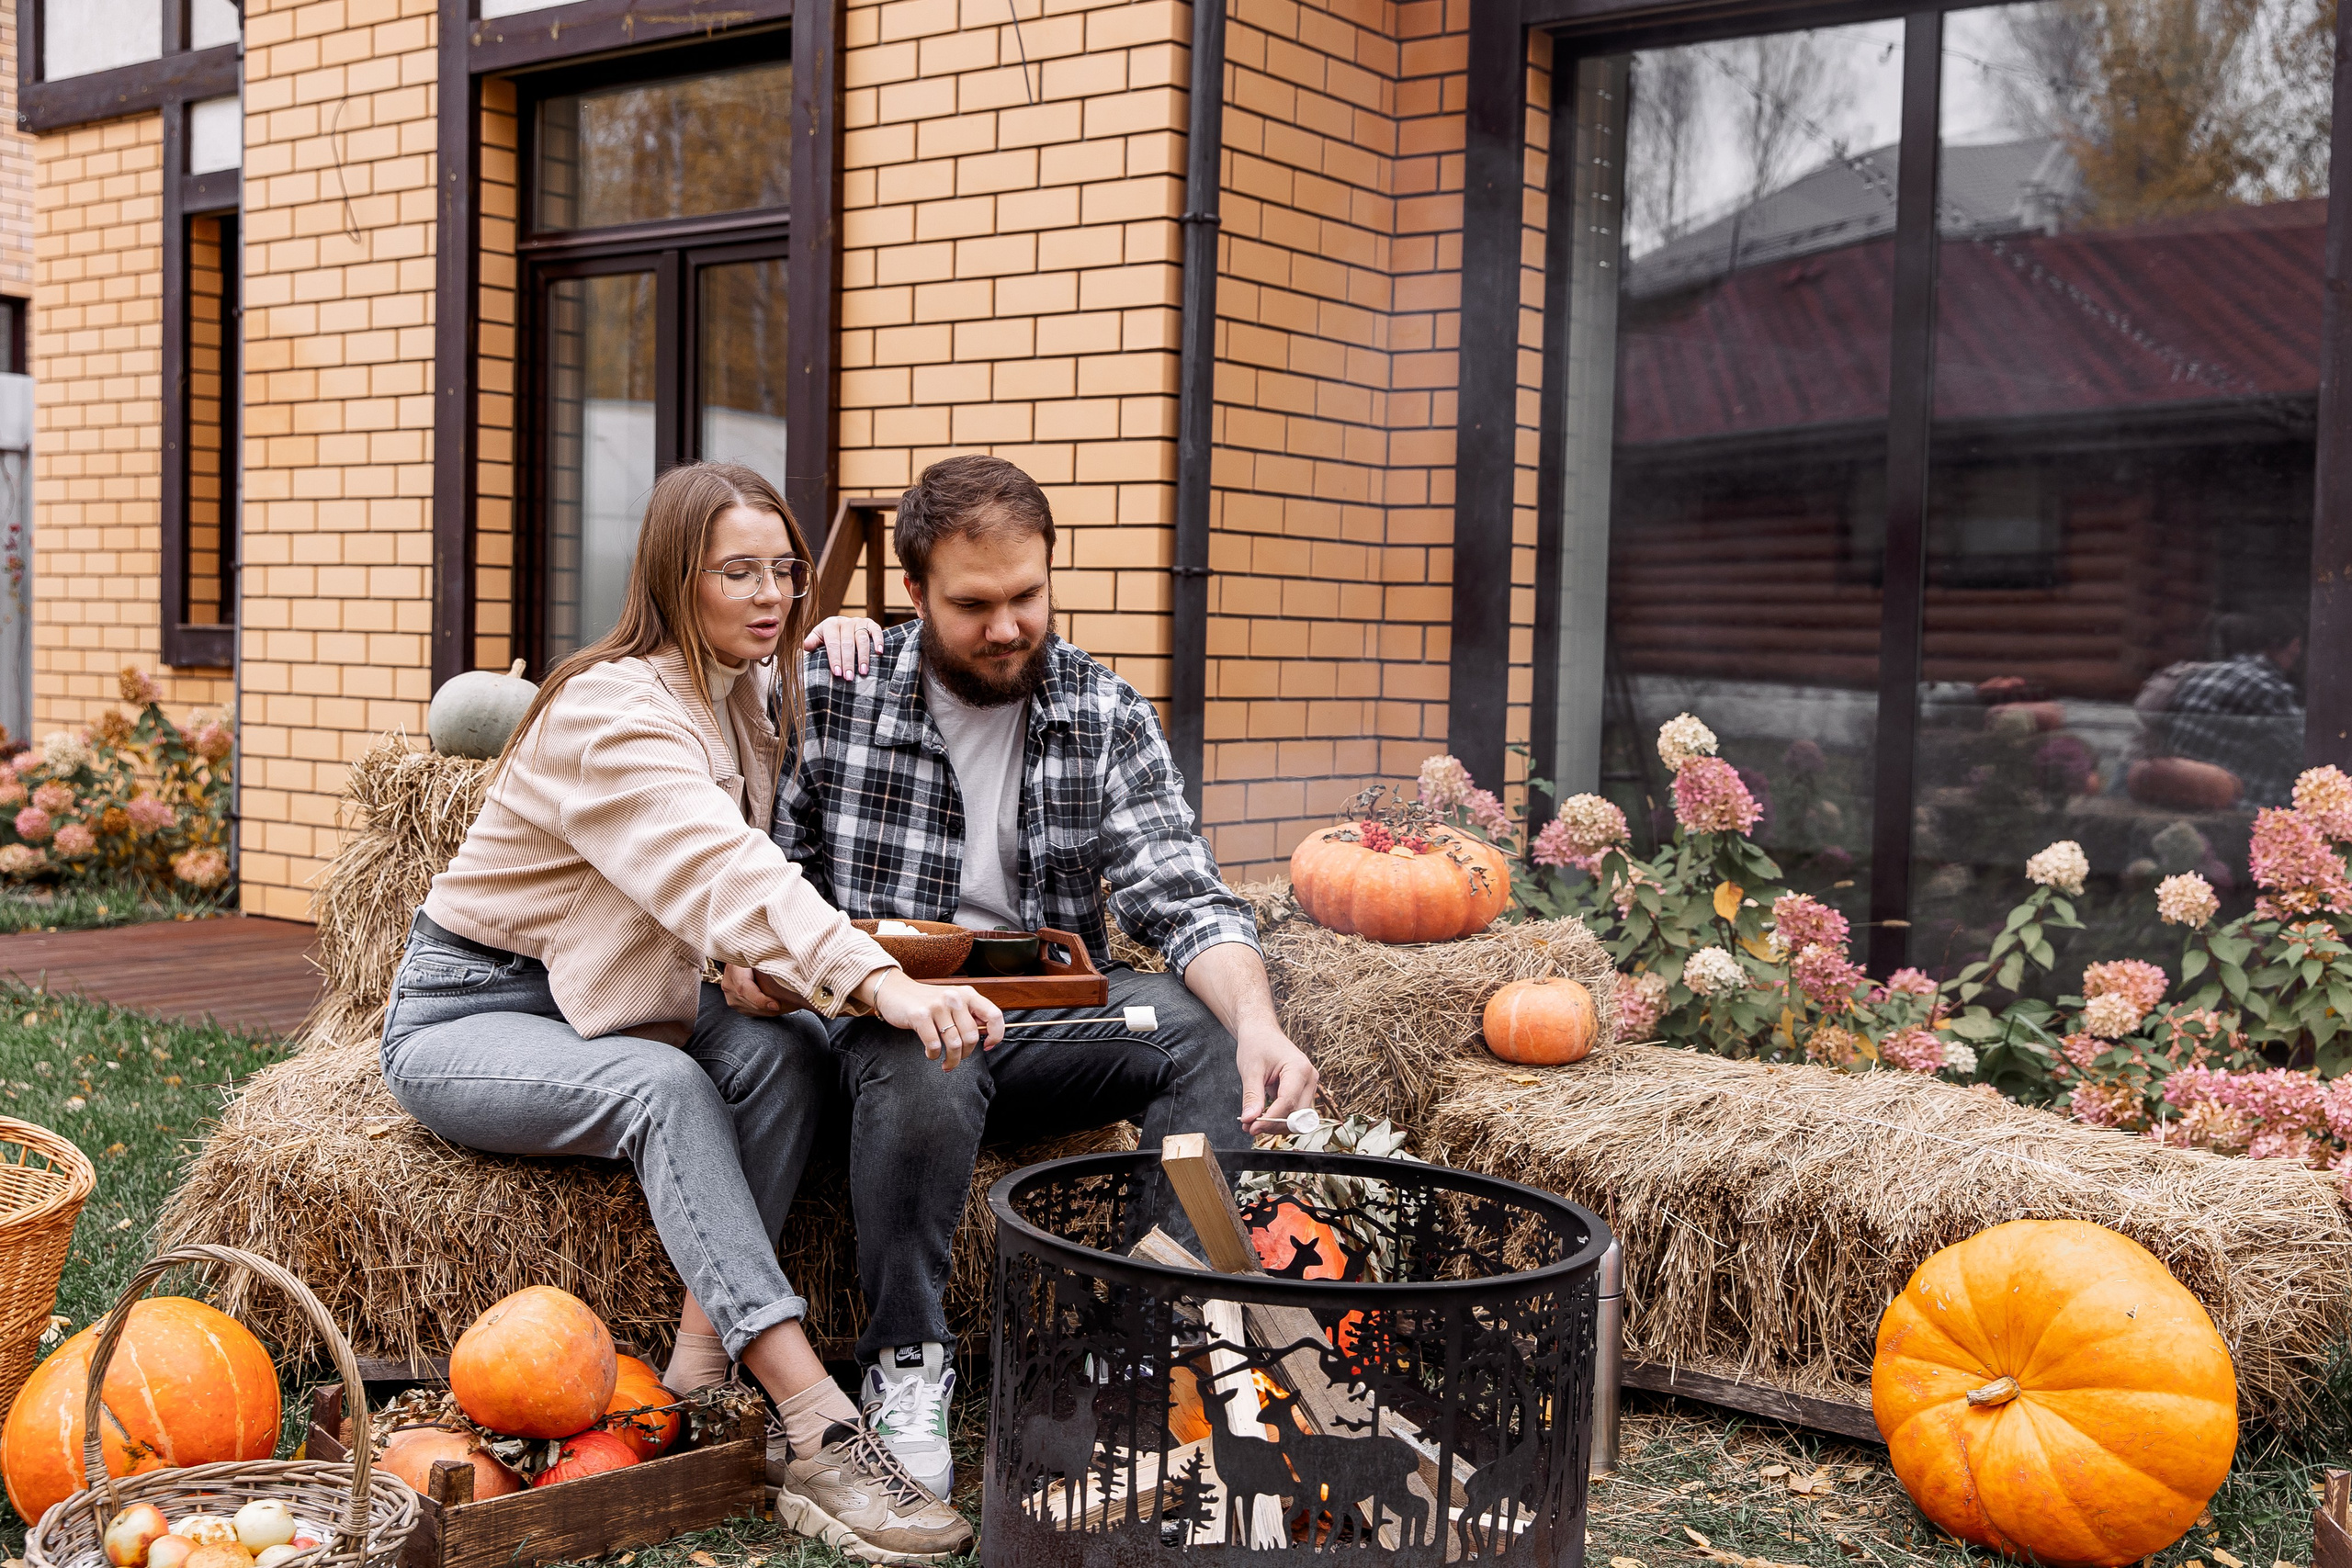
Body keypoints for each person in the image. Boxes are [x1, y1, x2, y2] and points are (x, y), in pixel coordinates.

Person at [379, 461, 997, 1564]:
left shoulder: (741, 687)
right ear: (675, 578)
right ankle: (816, 1424)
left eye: (785, 570)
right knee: (664, 1090)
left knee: (783, 1048)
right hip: (470, 1010)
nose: (770, 594)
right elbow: (716, 863)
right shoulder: (614, 709)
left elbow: (699, 899)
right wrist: (876, 978)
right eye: (736, 573)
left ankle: (693, 1377)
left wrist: (756, 970)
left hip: (603, 992)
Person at [728, 454, 1319, 1497]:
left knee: (1206, 1035)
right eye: (973, 605)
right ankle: (906, 1360)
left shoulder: (1103, 710)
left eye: (1027, 596)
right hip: (883, 1016)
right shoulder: (831, 690)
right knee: (925, 1051)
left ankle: (1146, 1339)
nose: (1007, 627)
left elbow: (1181, 895)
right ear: (911, 594)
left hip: (1048, 1024)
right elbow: (760, 875)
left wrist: (1259, 1023)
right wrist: (772, 973)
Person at [2143, 607, 2307, 807]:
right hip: (2235, 806)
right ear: (2280, 645)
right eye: (2297, 644)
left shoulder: (2202, 675)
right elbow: (2306, 755)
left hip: (2177, 796)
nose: (2298, 652)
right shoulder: (2268, 689)